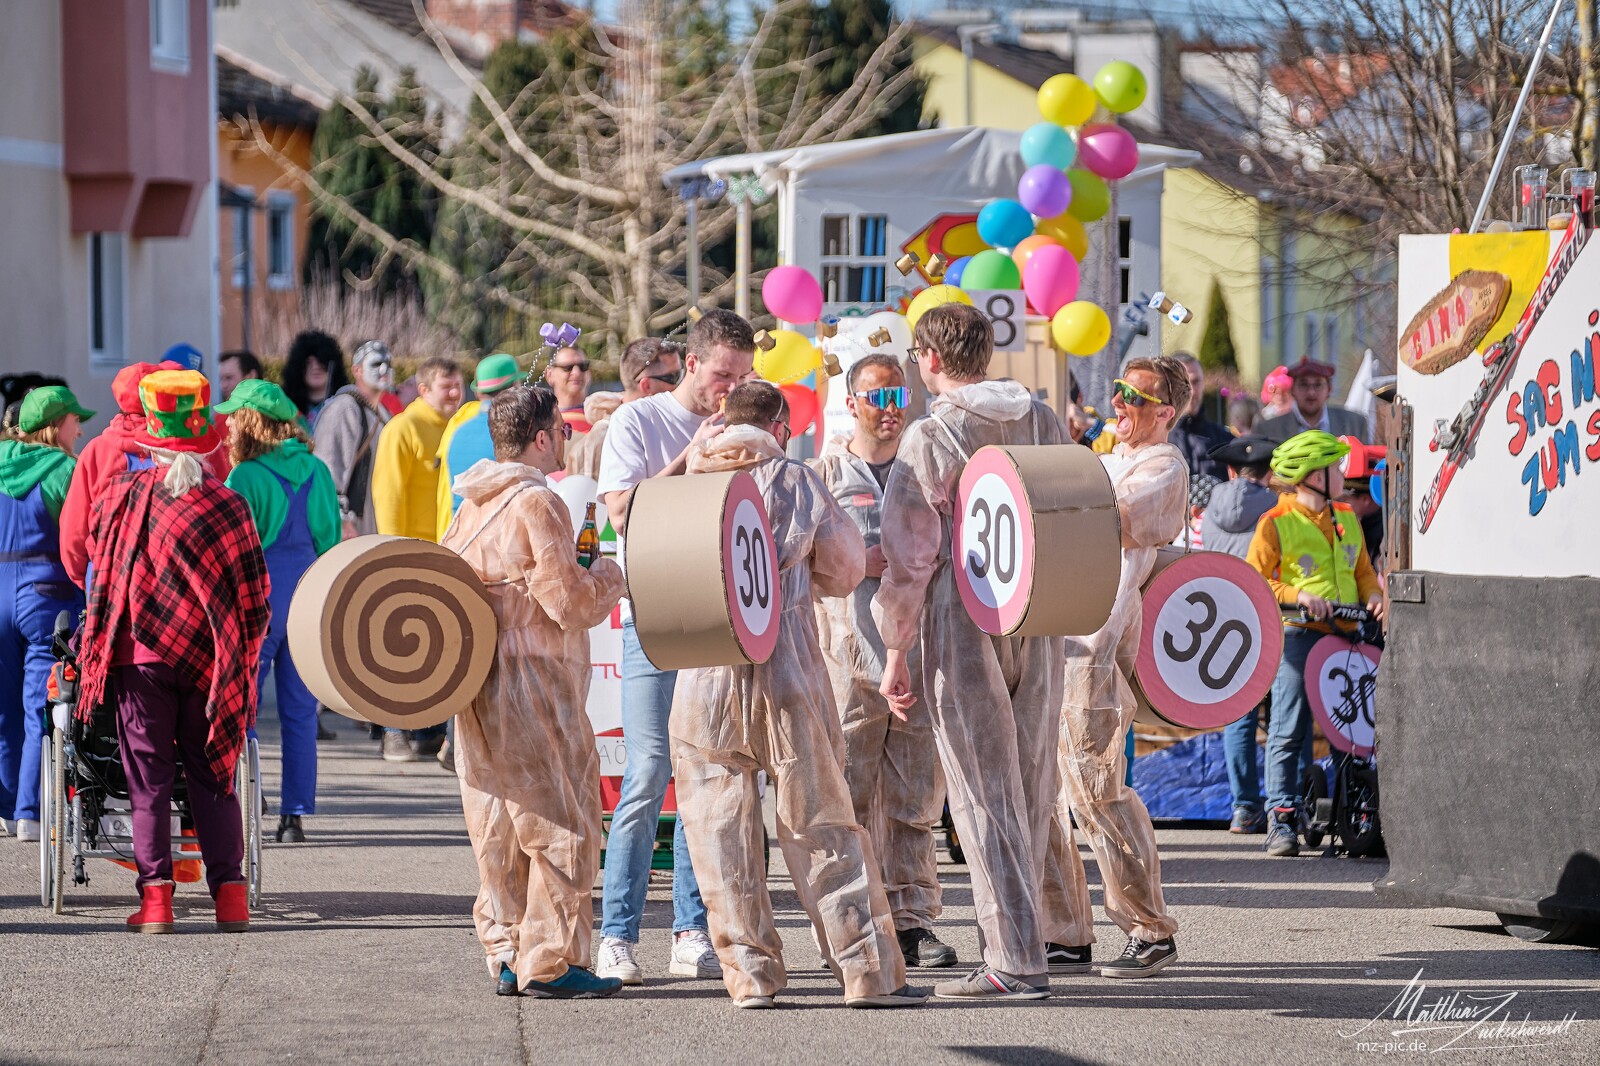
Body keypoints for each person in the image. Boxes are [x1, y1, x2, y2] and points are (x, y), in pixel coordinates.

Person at [671, 382, 922, 1009]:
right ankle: (865, 970)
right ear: (780, 427)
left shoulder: (687, 483)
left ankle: (749, 974)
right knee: (821, 821)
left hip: (703, 674)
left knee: (719, 834)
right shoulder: (795, 479)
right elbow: (845, 566)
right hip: (787, 666)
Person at [873, 302, 1066, 1001]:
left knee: (983, 790)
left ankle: (1013, 958)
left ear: (928, 359)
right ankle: (1029, 943)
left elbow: (909, 557)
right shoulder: (1041, 418)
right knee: (1033, 785)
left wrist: (896, 648)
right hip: (1040, 607)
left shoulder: (932, 434)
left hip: (965, 611)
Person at [440, 385, 628, 999]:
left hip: (475, 676)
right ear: (542, 438)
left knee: (495, 820)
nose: (568, 439)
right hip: (535, 678)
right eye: (562, 430)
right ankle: (551, 960)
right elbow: (567, 603)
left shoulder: (470, 505)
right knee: (560, 816)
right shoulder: (537, 501)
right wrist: (607, 575)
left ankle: (505, 950)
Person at [75, 369, 270, 932]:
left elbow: (99, 566)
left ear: (152, 439)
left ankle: (157, 901)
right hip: (212, 664)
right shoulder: (229, 506)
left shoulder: (122, 496)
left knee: (149, 781)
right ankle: (230, 898)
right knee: (214, 778)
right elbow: (256, 598)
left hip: (138, 661)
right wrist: (240, 654)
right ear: (205, 440)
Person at [594, 310, 755, 985]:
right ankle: (615, 935)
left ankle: (692, 930)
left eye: (742, 378)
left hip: (716, 619)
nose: (731, 389)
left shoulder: (740, 422)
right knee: (647, 774)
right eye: (723, 375)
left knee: (703, 776)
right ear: (691, 364)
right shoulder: (640, 420)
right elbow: (621, 512)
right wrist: (692, 456)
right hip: (653, 615)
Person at [1042, 357, 1190, 980]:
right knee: (1047, 795)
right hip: (1057, 636)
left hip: (1096, 646)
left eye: (1136, 395)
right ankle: (1064, 931)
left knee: (1097, 788)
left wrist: (1063, 481)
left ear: (1166, 412)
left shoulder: (1164, 466)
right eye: (1119, 391)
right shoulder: (1106, 460)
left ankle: (1148, 928)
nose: (1121, 403)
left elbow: (1116, 521)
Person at [810, 354, 954, 968]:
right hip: (849, 661)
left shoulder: (925, 472)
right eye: (877, 397)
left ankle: (914, 921)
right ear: (851, 404)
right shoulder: (825, 473)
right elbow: (800, 560)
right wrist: (852, 562)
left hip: (918, 657)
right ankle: (850, 925)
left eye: (899, 397)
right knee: (848, 799)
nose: (890, 410)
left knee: (914, 800)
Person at [1247, 430, 1386, 858]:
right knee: (1289, 728)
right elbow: (1253, 582)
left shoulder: (1346, 516)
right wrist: (1298, 595)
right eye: (1335, 467)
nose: (1344, 474)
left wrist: (1375, 596)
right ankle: (1281, 819)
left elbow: (1363, 571)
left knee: (1356, 729)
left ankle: (1353, 813)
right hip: (1299, 635)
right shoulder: (1274, 523)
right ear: (1312, 476)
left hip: (1349, 634)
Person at [216, 381, 341, 843]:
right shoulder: (316, 470)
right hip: (308, 594)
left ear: (252, 422)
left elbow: (229, 548)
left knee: (243, 705)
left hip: (258, 596)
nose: (228, 423)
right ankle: (294, 816)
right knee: (301, 711)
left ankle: (250, 794)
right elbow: (330, 541)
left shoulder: (244, 477)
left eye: (235, 415)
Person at [0, 386, 93, 841]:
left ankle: (5, 807)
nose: (81, 430)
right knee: (40, 705)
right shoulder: (66, 470)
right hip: (47, 595)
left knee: (3, 709)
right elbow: (83, 538)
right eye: (76, 421)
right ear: (55, 427)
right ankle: (30, 812)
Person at [371, 356, 463, 762]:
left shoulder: (458, 427)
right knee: (397, 646)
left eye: (459, 385)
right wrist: (394, 552)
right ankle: (394, 731)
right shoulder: (402, 428)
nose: (456, 393)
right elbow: (388, 495)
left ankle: (429, 731)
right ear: (423, 390)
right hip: (409, 553)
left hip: (446, 552)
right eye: (447, 386)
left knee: (438, 646)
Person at [1201, 435, 1289, 835]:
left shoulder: (1210, 508)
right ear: (1269, 474)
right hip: (1271, 613)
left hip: (1226, 619)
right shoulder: (1280, 509)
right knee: (1281, 715)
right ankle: (1282, 806)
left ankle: (1244, 808)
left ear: (1231, 471)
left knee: (1239, 714)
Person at [566, 339, 683, 482]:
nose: (681, 385)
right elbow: (597, 496)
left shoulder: (668, 421)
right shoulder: (603, 437)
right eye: (674, 377)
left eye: (682, 373)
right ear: (646, 386)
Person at [435, 353, 522, 542]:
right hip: (497, 539)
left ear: (478, 393)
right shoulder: (514, 431)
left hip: (459, 535)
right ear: (515, 388)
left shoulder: (457, 431)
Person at [313, 340, 395, 539]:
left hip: (375, 527)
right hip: (349, 531)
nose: (384, 369)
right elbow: (327, 469)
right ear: (357, 370)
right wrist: (341, 520)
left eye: (388, 364)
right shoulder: (344, 408)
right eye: (376, 364)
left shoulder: (384, 414)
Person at [1256, 357, 1369, 442]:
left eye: (1318, 385)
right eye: (1304, 385)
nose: (1311, 392)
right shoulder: (1269, 430)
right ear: (1293, 390)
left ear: (1329, 389)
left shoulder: (1354, 424)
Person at [1168, 353, 1232, 480]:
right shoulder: (1157, 440)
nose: (1191, 391)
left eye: (1196, 382)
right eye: (1184, 383)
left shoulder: (1224, 440)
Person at [281, 330, 350, 432]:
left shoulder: (346, 405)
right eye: (308, 363)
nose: (315, 367)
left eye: (321, 361)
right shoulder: (286, 406)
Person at [544, 347, 593, 435]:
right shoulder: (541, 421)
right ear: (549, 375)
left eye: (583, 366)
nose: (576, 373)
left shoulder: (602, 415)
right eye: (567, 367)